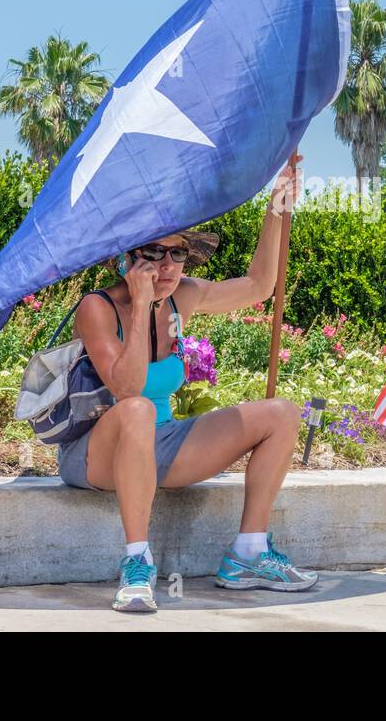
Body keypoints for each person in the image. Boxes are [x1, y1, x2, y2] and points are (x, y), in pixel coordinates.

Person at [57, 156, 317, 612]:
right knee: (137, 408)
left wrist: (276, 205)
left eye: (177, 253)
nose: (168, 265)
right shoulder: (97, 308)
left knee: (283, 413)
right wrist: (140, 306)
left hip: (162, 445)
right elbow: (127, 388)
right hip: (97, 454)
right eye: (153, 253)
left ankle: (249, 554)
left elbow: (259, 286)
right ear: (126, 258)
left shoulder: (184, 297)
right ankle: (138, 563)